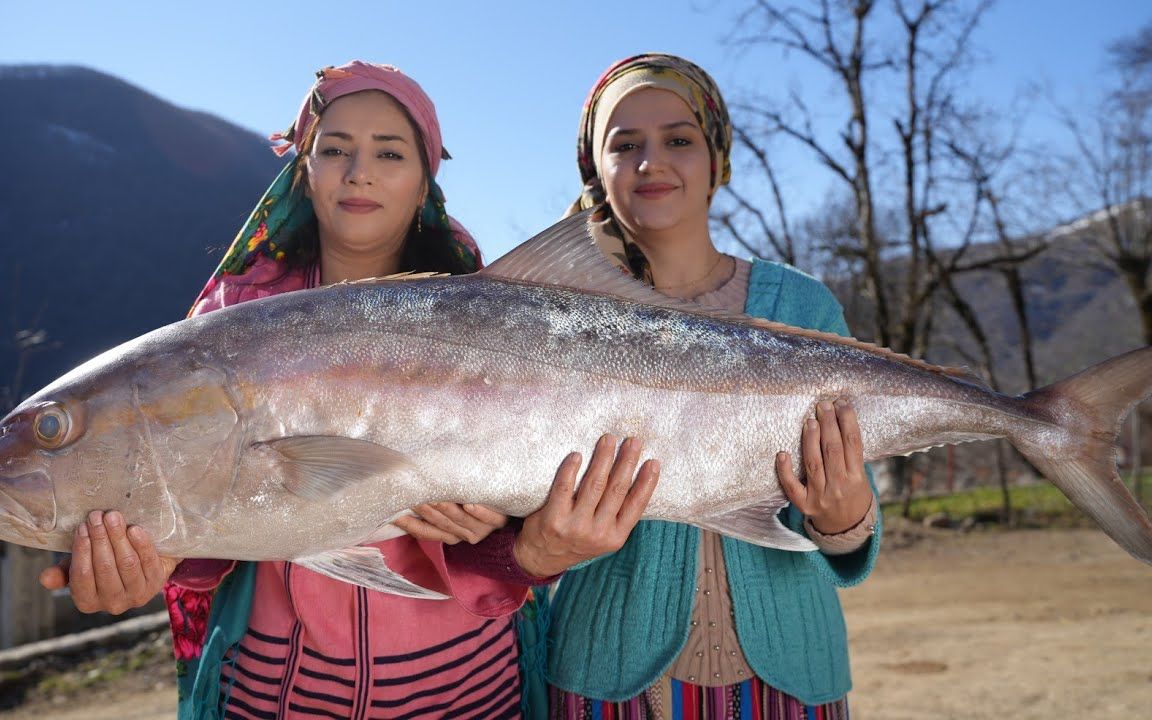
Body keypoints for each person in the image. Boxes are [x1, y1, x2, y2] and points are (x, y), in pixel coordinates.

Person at [37, 60, 659, 720]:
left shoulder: (511, 320)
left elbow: (518, 556)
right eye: (334, 149)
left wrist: (519, 543)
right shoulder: (220, 331)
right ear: (303, 170)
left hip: (468, 693)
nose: (358, 170)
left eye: (389, 152)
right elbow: (211, 530)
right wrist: (156, 561)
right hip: (273, 698)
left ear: (426, 182)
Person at [539, 53, 882, 719]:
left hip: (793, 678)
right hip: (605, 680)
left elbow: (849, 514)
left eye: (678, 139)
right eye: (625, 144)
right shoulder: (554, 317)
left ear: (716, 156)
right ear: (594, 167)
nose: (651, 162)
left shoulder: (801, 307)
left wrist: (845, 520)